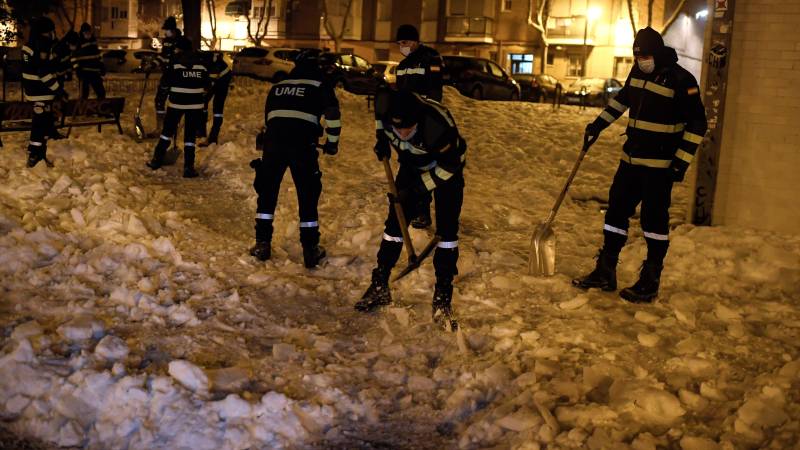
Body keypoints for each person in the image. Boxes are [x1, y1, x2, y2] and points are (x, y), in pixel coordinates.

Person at [573, 27, 708, 303]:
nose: (640, 61)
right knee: (615, 215)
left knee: (653, 223)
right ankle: (606, 270)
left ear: (657, 54)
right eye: (637, 56)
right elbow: (622, 101)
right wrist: (597, 125)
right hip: (631, 161)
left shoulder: (682, 81)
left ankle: (650, 279)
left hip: (660, 168)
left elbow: (698, 124)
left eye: (645, 56)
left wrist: (679, 164)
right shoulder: (637, 73)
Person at [356, 90, 466, 330]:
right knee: (394, 225)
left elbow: (450, 167)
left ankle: (442, 299)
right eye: (398, 130)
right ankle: (380, 284)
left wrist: (417, 190)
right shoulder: (385, 106)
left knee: (447, 234)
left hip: (447, 168)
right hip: (411, 164)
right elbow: (379, 118)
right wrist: (382, 140)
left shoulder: (437, 126)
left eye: (408, 129)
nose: (403, 134)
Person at [250, 49, 341, 268]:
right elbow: (333, 115)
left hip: (273, 144)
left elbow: (269, 118)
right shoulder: (320, 85)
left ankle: (262, 243)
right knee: (307, 194)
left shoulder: (279, 86)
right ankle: (310, 249)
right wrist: (332, 143)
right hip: (302, 145)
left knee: (267, 192)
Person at [390, 24, 444, 230]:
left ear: (414, 41)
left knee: (425, 166)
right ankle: (410, 206)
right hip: (407, 124)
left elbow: (435, 91)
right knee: (408, 163)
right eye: (399, 44)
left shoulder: (431, 58)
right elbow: (402, 95)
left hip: (425, 121)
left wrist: (430, 119)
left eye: (403, 43)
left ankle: (423, 212)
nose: (401, 47)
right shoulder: (402, 65)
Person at [145, 36, 209, 178]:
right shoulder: (201, 62)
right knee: (190, 136)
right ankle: (188, 167)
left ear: (179, 48)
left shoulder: (175, 61)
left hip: (177, 103)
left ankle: (157, 160)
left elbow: (166, 81)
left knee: (167, 132)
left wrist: (162, 97)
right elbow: (206, 83)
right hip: (196, 105)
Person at [21, 17, 65, 168]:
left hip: (33, 90)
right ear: (46, 32)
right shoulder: (43, 46)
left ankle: (40, 154)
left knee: (44, 123)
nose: (53, 34)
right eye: (51, 31)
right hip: (42, 92)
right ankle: (34, 155)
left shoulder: (29, 46)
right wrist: (58, 89)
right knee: (40, 124)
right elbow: (43, 72)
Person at [154, 16, 183, 134]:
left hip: (176, 77)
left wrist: (169, 62)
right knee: (159, 100)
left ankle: (172, 127)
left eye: (166, 30)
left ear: (172, 30)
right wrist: (154, 64)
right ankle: (160, 127)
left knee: (174, 102)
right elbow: (163, 56)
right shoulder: (166, 41)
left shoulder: (180, 42)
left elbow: (176, 58)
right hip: (166, 76)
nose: (165, 32)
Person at [198, 51, 232, 146]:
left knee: (217, 108)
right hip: (213, 78)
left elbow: (211, 80)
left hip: (223, 80)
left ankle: (213, 137)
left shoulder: (208, 61)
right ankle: (201, 132)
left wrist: (205, 90)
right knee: (202, 104)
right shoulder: (199, 61)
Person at [72, 23, 105, 99]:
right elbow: (73, 59)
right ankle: (82, 110)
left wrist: (102, 67)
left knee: (101, 93)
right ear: (82, 33)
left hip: (95, 73)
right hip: (84, 73)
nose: (88, 34)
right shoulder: (79, 43)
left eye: (89, 32)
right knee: (84, 95)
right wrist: (77, 70)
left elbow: (99, 57)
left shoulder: (94, 42)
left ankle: (99, 109)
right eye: (86, 33)